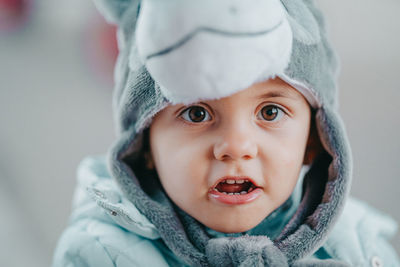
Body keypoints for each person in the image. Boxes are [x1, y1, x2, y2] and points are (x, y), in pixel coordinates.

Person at [53, 0, 400, 266]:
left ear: (314, 140)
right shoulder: (100, 252)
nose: (236, 146)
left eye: (269, 112)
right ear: (143, 144)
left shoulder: (360, 247)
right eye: (197, 113)